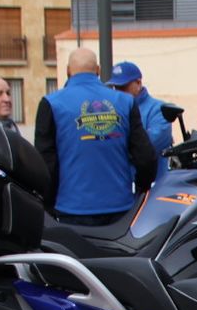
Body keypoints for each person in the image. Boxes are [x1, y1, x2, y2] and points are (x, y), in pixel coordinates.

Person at [35, 48, 156, 225]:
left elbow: (45, 162)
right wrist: (140, 190)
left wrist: (48, 204)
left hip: (71, 208)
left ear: (68, 71)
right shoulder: (125, 102)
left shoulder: (52, 104)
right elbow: (145, 157)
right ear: (98, 70)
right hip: (121, 208)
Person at [106, 60, 174, 181]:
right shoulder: (111, 110)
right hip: (121, 185)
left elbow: (147, 147)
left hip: (153, 186)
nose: (118, 92)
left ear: (138, 83)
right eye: (116, 87)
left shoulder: (159, 109)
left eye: (123, 87)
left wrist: (114, 147)